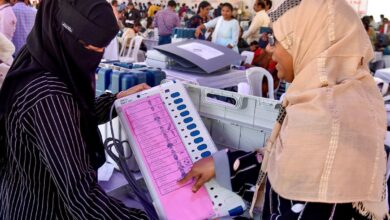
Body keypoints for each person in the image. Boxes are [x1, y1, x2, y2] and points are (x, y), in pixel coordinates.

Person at [180, 0, 388, 219]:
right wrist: (224, 164)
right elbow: (281, 163)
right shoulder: (334, 102)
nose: (269, 48)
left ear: (307, 43)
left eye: (276, 40)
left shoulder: (326, 125)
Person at [0, 0, 151, 219]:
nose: (98, 55)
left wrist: (116, 100)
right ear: (63, 32)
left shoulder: (41, 57)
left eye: (102, 47)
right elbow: (83, 199)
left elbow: (73, 113)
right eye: (91, 47)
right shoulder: (49, 96)